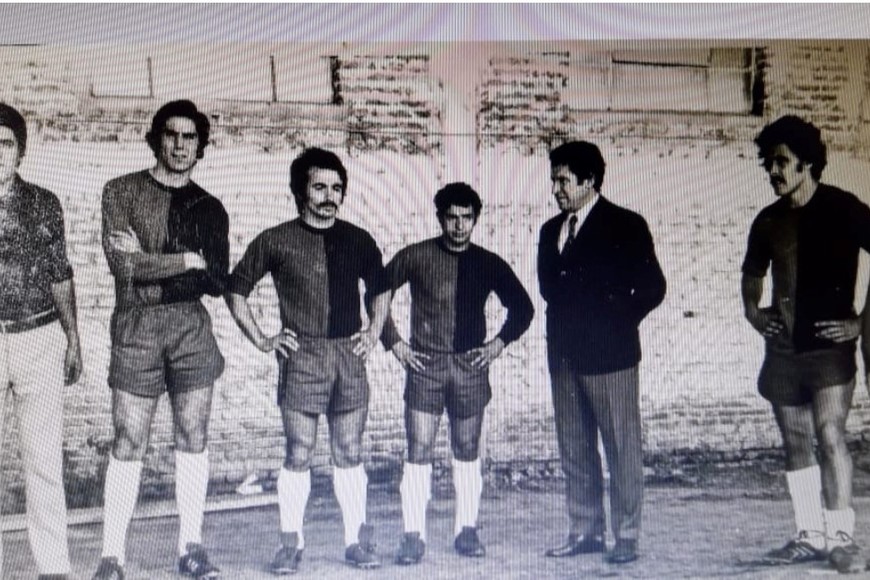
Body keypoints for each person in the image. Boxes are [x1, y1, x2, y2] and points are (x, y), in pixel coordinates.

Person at [225, 147, 390, 574]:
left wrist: (374, 330)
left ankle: (357, 541)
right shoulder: (276, 239)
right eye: (319, 186)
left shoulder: (358, 239)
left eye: (336, 188)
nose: (329, 195)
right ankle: (290, 545)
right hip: (302, 356)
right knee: (299, 451)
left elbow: (381, 285)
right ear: (300, 190)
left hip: (347, 355)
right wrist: (263, 339)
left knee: (348, 450)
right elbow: (235, 288)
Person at [92, 100, 229, 580]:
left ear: (200, 146)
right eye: (170, 134)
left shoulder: (209, 208)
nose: (179, 144)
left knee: (193, 436)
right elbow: (123, 267)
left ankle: (191, 548)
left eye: (189, 137)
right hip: (137, 325)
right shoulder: (121, 192)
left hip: (191, 327)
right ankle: (112, 558)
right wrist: (184, 260)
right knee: (129, 438)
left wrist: (162, 263)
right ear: (156, 138)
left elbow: (215, 278)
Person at [741, 115, 870, 574]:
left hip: (830, 351)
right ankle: (810, 534)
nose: (773, 172)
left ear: (807, 164)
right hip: (784, 352)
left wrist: (860, 323)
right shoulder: (768, 221)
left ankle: (840, 537)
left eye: (782, 162)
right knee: (795, 440)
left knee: (830, 435)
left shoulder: (845, 208)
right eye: (768, 164)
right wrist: (755, 315)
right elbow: (751, 278)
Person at [380, 182, 534, 565]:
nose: (460, 225)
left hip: (469, 367)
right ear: (440, 218)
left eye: (467, 217)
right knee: (419, 449)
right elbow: (376, 293)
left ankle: (467, 529)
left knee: (466, 449)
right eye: (452, 217)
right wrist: (394, 342)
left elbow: (523, 307)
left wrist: (497, 344)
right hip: (426, 366)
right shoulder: (416, 256)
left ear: (475, 219)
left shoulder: (488, 262)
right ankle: (413, 535)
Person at [538, 140, 666, 565]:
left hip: (611, 358)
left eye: (564, 179)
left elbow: (653, 288)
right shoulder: (548, 231)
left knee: (620, 449)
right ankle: (585, 530)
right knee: (574, 449)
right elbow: (549, 291)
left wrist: (612, 321)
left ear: (589, 180)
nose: (556, 188)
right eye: (554, 179)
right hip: (564, 358)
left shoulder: (625, 225)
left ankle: (625, 535)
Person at [0, 103, 82, 580]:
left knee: (44, 459)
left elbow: (59, 274)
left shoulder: (43, 203)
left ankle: (53, 569)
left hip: (39, 336)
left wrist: (73, 338)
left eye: (6, 144)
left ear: (21, 151)